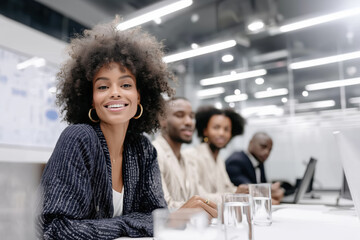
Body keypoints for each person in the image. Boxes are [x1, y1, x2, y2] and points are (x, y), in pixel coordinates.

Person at [38, 21, 175, 239]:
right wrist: (127, 224)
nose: (115, 93)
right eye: (103, 86)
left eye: (126, 85)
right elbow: (58, 229)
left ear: (139, 96)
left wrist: (110, 226)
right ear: (91, 99)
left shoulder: (142, 149)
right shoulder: (78, 139)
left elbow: (158, 218)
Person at [152, 97, 219, 211]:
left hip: (189, 227)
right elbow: (163, 208)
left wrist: (233, 198)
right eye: (179, 115)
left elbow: (200, 195)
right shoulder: (154, 154)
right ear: (162, 120)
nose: (189, 122)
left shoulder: (186, 159)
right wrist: (199, 207)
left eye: (191, 116)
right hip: (165, 228)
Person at [182, 106, 248, 195]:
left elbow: (228, 188)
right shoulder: (191, 156)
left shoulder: (219, 160)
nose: (221, 133)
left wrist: (243, 191)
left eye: (226, 129)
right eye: (216, 127)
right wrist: (233, 195)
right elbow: (197, 195)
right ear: (205, 131)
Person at [225, 132, 284, 204]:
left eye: (270, 149)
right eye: (263, 146)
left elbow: (261, 185)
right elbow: (247, 189)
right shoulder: (236, 161)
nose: (267, 152)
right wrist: (269, 190)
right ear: (251, 143)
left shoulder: (258, 161)